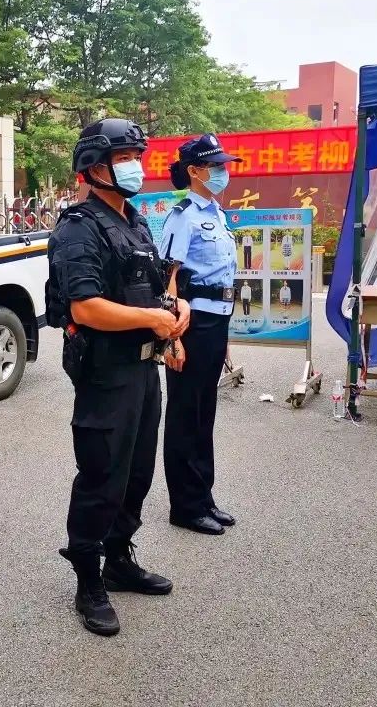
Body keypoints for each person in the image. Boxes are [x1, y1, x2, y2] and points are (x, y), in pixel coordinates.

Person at [46, 118, 190, 637]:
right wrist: (153, 318)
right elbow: (85, 307)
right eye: (123, 158)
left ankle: (120, 559)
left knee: (137, 472)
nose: (135, 166)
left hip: (144, 367)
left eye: (136, 157)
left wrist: (174, 317)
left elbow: (155, 288)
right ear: (94, 167)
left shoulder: (136, 222)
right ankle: (88, 580)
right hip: (105, 373)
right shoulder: (78, 228)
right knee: (102, 474)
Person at [158, 133, 242, 536]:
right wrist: (172, 337)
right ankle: (185, 506)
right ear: (194, 171)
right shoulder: (183, 216)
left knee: (204, 413)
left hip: (216, 322)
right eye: (216, 166)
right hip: (190, 324)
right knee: (184, 414)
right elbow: (168, 278)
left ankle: (203, 496)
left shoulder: (218, 214)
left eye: (225, 165)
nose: (224, 171)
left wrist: (224, 336)